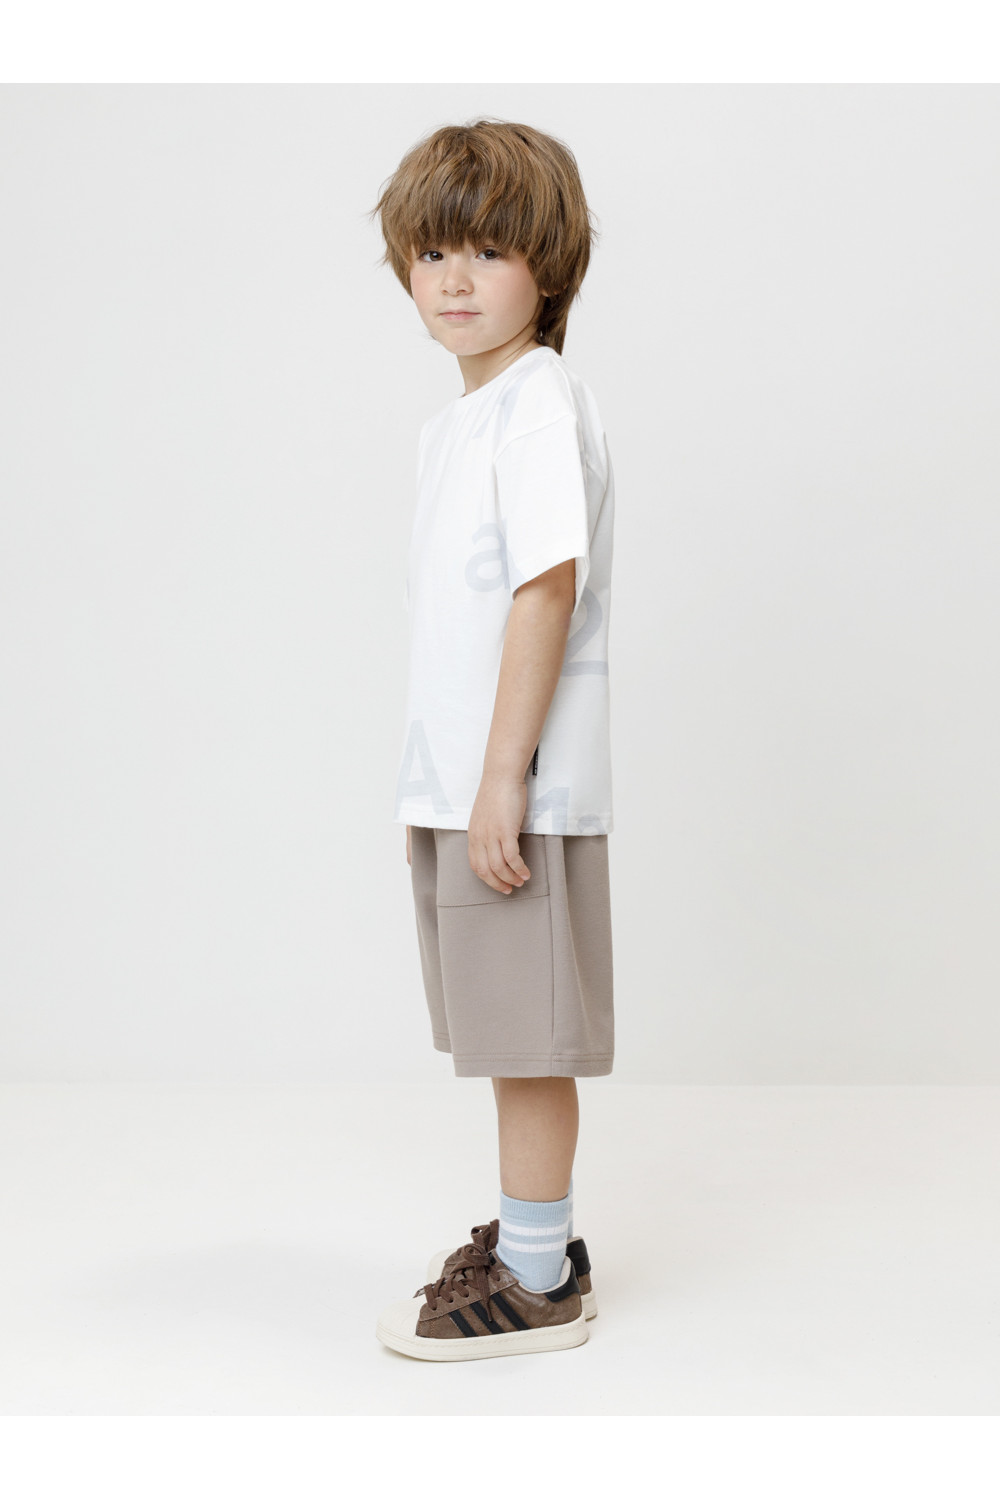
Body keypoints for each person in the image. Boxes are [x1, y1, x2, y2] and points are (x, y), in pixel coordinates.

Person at [367, 118, 615, 1361]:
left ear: (547, 266)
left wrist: (503, 779)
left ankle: (535, 1280)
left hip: (512, 790)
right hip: (461, 784)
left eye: (488, 251)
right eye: (431, 254)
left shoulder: (535, 404)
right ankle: (534, 1240)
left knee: (524, 1040)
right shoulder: (461, 421)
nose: (454, 280)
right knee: (497, 1028)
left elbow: (545, 587)